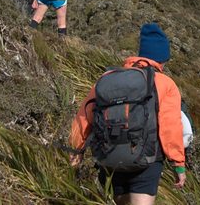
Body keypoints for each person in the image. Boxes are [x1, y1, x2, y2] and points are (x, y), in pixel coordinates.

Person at [69, 23, 187, 204]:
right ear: (162, 59)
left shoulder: (107, 78)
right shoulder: (165, 83)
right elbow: (170, 127)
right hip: (147, 159)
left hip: (111, 157)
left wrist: (76, 149)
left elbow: (84, 115)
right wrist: (178, 164)